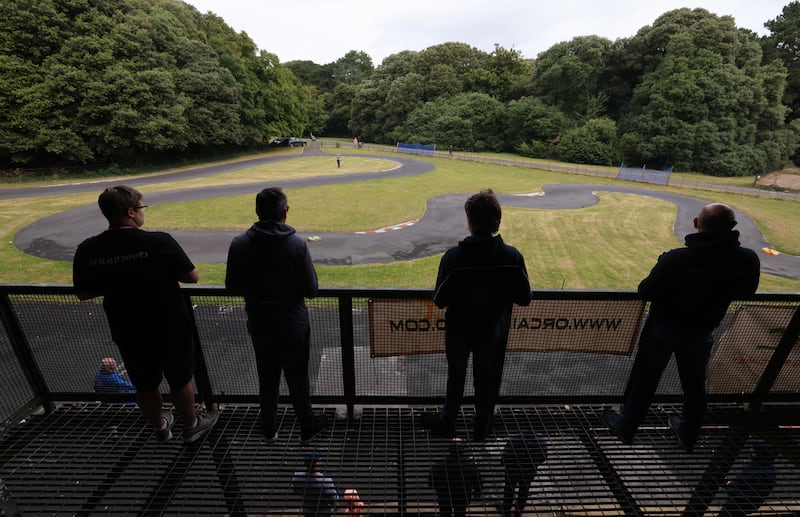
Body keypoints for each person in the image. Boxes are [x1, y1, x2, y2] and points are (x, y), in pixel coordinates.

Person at [602, 203, 760, 451]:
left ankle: (627, 426)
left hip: (662, 329)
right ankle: (688, 433)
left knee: (645, 380)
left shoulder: (677, 258)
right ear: (732, 227)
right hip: (702, 331)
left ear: (697, 224)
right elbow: (747, 291)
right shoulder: (747, 260)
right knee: (695, 385)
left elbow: (645, 290)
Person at [73, 185, 218, 444]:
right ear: (131, 212)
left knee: (144, 382)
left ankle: (161, 427)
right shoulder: (158, 241)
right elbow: (192, 277)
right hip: (169, 324)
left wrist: (117, 279)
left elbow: (83, 292)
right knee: (180, 378)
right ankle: (191, 424)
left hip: (126, 326)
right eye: (141, 208)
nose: (142, 213)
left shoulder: (88, 249)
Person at [420, 189, 532, 441]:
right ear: (497, 220)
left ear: (470, 220)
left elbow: (439, 300)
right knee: (485, 381)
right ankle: (481, 427)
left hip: (458, 330)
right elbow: (524, 298)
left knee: (456, 377)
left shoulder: (454, 257)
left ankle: (448, 420)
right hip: (491, 332)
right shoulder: (512, 257)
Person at [225, 187, 327, 443]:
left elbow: (232, 286)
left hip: (260, 322)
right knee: (298, 378)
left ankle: (269, 428)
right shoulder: (296, 244)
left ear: (257, 212)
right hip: (292, 323)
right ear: (285, 212)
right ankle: (306, 425)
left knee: (267, 377)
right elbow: (311, 290)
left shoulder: (239, 243)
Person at [718, 437, 777, 517]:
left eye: (754, 448)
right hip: (749, 503)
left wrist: (727, 484)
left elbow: (739, 487)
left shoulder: (755, 470)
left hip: (740, 502)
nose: (751, 450)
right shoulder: (769, 469)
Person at [428, 437, 482, 517]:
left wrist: (438, 487)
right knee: (460, 513)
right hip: (462, 497)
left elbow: (431, 482)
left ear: (449, 449)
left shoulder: (440, 464)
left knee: (444, 513)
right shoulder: (470, 465)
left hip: (444, 496)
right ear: (463, 449)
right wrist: (477, 493)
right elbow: (478, 480)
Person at [500, 432, 548, 516]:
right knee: (524, 491)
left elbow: (505, 456)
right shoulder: (542, 441)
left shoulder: (514, 439)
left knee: (509, 489)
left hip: (512, 471)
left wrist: (505, 463)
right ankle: (519, 511)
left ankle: (506, 510)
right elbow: (543, 457)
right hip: (529, 472)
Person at [292, 449, 338, 517]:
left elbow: (296, 490)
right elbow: (334, 500)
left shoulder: (297, 477)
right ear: (317, 463)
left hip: (307, 511)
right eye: (319, 459)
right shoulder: (325, 481)